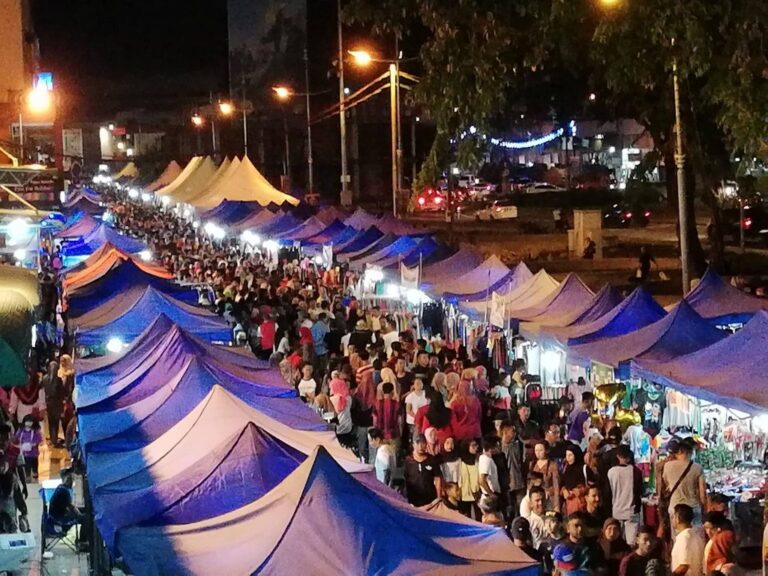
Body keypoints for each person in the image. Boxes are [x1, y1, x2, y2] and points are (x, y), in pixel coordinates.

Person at [662, 438, 706, 531]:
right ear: (689, 452)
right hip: (693, 508)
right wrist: (704, 508)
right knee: (695, 537)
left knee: (678, 539)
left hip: (675, 508)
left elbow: (667, 483)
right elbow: (702, 494)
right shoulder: (697, 467)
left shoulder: (667, 466)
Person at [607, 445, 643, 544]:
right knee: (632, 542)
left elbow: (609, 492)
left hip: (616, 510)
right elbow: (641, 491)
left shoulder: (611, 472)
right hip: (632, 512)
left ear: (618, 456)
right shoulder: (636, 471)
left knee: (617, 541)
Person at [404, 433, 442, 507]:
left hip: (431, 500)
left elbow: (438, 479)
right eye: (418, 443)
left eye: (423, 443)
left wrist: (439, 497)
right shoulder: (408, 461)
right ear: (413, 444)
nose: (420, 446)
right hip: (413, 501)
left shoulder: (432, 460)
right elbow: (405, 480)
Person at [499, 420, 526, 520]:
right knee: (509, 510)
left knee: (521, 509)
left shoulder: (519, 445)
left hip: (519, 482)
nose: (514, 433)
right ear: (505, 432)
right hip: (505, 485)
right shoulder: (498, 447)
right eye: (512, 431)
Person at [670, 503, 705, 576]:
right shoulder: (696, 536)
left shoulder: (684, 537)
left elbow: (683, 566)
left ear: (677, 518)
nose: (672, 520)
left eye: (673, 517)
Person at [531, 441, 561, 511]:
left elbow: (556, 486)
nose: (538, 453)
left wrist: (557, 505)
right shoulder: (533, 464)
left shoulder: (552, 465)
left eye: (541, 450)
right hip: (536, 499)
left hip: (549, 499)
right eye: (536, 450)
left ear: (546, 450)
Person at [561, 443, 589, 516]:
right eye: (566, 455)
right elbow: (563, 483)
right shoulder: (566, 468)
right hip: (568, 502)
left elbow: (592, 486)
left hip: (581, 502)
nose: (568, 458)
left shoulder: (584, 468)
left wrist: (579, 491)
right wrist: (564, 491)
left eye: (570, 455)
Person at [41, 360, 65, 447]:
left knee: (51, 422)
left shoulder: (44, 378)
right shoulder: (58, 380)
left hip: (48, 402)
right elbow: (62, 393)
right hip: (56, 403)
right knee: (55, 421)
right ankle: (54, 439)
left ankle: (52, 438)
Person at [372, 382, 401, 450]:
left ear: (382, 391)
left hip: (380, 436)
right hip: (393, 435)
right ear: (392, 392)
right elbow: (400, 421)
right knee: (393, 457)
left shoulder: (377, 404)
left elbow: (375, 420)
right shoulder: (397, 404)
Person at [458, 439, 481, 520]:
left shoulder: (478, 459)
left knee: (479, 516)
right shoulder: (462, 461)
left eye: (476, 445)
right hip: (465, 493)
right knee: (467, 517)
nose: (476, 447)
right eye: (473, 446)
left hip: (478, 493)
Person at [14, 415, 42, 481]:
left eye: (30, 421)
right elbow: (16, 437)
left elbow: (39, 439)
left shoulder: (35, 431)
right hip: (25, 452)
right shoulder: (21, 430)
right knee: (26, 464)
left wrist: (34, 444)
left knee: (34, 463)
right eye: (27, 421)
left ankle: (35, 474)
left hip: (34, 452)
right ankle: (28, 476)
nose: (28, 423)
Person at [478, 435, 501, 507]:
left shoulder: (488, 459)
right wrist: (491, 494)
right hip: (490, 497)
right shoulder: (485, 460)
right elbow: (482, 480)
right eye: (498, 445)